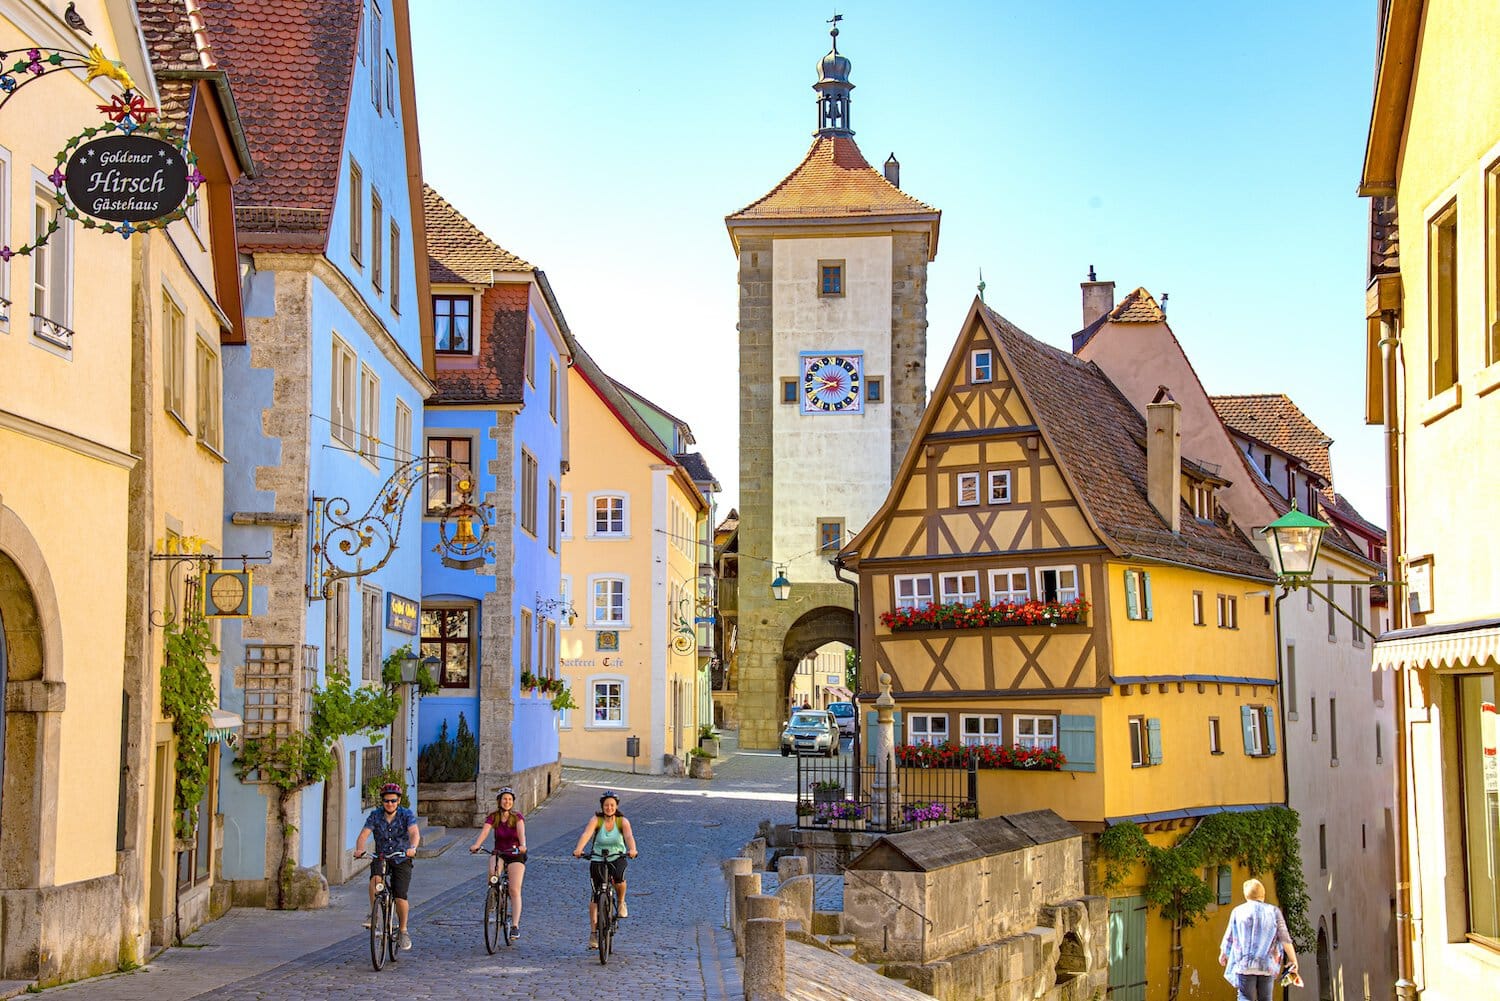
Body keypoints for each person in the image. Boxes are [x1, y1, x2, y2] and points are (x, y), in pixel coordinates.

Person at [354, 781, 420, 951]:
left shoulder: (406, 815)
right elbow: (364, 834)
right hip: (381, 856)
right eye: (386, 801)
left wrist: (412, 848)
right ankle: (374, 914)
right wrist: (360, 849)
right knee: (375, 881)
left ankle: (403, 930)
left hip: (401, 857)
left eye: (393, 800)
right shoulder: (375, 816)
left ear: (399, 801)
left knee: (400, 896)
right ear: (382, 801)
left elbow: (414, 832)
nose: (389, 804)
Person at [571, 790, 638, 949]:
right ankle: (594, 933)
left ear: (616, 806)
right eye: (606, 805)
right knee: (595, 895)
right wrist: (579, 849)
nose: (609, 808)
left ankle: (621, 902)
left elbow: (628, 837)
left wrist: (632, 849)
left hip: (617, 855)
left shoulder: (622, 821)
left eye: (612, 805)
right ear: (602, 806)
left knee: (620, 878)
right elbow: (586, 834)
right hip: (598, 857)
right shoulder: (596, 820)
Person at [1219, 877, 1298, 1001]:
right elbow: (1285, 938)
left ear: (1246, 895)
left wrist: (1224, 953)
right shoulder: (1274, 911)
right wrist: (1293, 960)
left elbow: (1230, 936)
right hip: (1267, 964)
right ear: (1263, 894)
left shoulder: (1237, 911)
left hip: (1244, 963)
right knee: (1266, 998)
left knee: (1245, 997)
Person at [469, 787, 528, 938]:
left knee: (514, 889)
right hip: (499, 852)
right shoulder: (493, 817)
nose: (507, 802)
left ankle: (515, 925)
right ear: (499, 801)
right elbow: (485, 831)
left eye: (509, 799)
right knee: (492, 873)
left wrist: (522, 846)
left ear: (513, 802)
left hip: (515, 854)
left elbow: (522, 835)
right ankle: (494, 896)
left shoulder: (517, 817)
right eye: (504, 799)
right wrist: (477, 844)